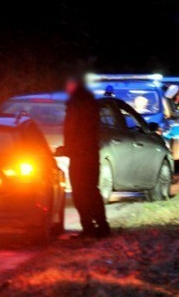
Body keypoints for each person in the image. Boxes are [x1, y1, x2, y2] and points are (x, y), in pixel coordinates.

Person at [63, 77, 110, 238]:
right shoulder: (89, 103)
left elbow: (73, 130)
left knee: (81, 192)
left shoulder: (76, 105)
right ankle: (100, 225)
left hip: (80, 155)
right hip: (89, 153)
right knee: (90, 191)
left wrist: (68, 148)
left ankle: (90, 227)